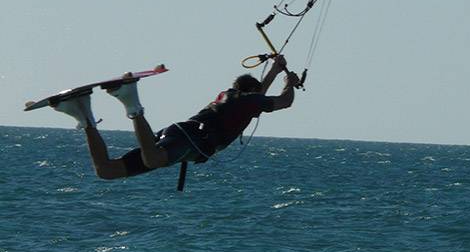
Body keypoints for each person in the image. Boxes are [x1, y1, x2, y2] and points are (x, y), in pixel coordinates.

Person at [52, 55, 299, 180]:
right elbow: (284, 101)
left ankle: (83, 114)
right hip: (192, 141)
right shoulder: (248, 102)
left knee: (106, 170)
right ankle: (132, 103)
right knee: (154, 159)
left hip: (178, 133)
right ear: (254, 94)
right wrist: (290, 83)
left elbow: (258, 96)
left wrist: (276, 71)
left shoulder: (234, 98)